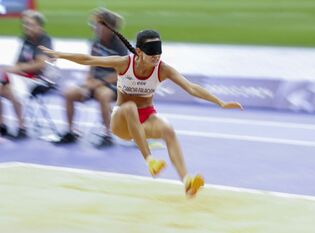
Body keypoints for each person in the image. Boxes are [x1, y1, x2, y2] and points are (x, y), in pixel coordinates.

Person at [40, 23, 243, 197]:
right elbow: (88, 59)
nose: (156, 57)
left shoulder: (162, 69)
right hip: (121, 121)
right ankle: (150, 161)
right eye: (152, 53)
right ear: (138, 52)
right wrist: (60, 54)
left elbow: (191, 87)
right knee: (129, 107)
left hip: (145, 119)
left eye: (159, 53)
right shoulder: (123, 64)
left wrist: (220, 102)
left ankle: (187, 182)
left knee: (168, 130)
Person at [56, 8, 129, 148]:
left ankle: (107, 135)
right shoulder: (95, 42)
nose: (94, 27)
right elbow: (91, 66)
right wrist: (87, 83)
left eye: (98, 24)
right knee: (69, 93)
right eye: (94, 24)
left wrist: (99, 83)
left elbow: (121, 72)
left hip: (114, 84)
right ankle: (71, 132)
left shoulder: (120, 45)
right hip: (95, 82)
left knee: (103, 96)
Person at [0, 10, 52, 139]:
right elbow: (18, 62)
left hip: (40, 79)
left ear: (38, 26)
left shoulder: (44, 41)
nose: (25, 27)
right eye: (24, 24)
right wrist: (15, 69)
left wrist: (18, 69)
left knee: (10, 89)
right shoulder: (26, 40)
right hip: (23, 77)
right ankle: (3, 125)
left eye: (29, 24)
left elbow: (40, 65)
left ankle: (21, 127)